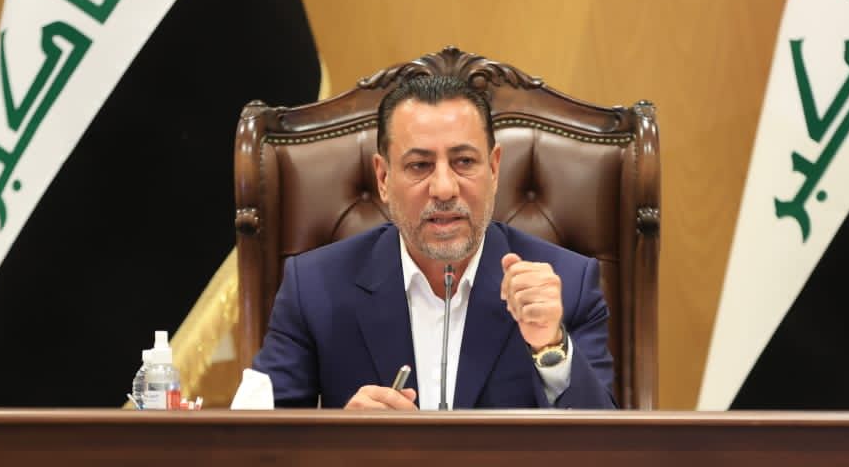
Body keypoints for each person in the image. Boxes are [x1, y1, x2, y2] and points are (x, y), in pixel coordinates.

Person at [252, 74, 617, 410]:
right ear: (383, 178)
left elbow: (606, 448)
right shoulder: (314, 288)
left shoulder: (568, 285)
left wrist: (551, 347)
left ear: (494, 169)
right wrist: (343, 441)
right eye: (419, 165)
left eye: (464, 161)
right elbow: (258, 444)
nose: (444, 188)